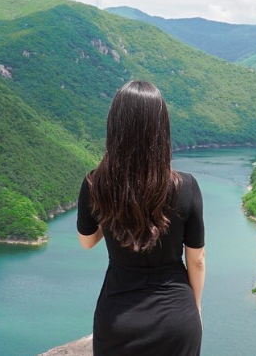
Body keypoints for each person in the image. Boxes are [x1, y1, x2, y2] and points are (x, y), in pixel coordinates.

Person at [77, 80, 206, 356]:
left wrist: (109, 210)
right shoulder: (186, 186)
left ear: (115, 126)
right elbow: (197, 259)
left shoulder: (95, 184)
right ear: (162, 128)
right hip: (177, 318)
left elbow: (87, 242)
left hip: (118, 320)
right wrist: (194, 310)